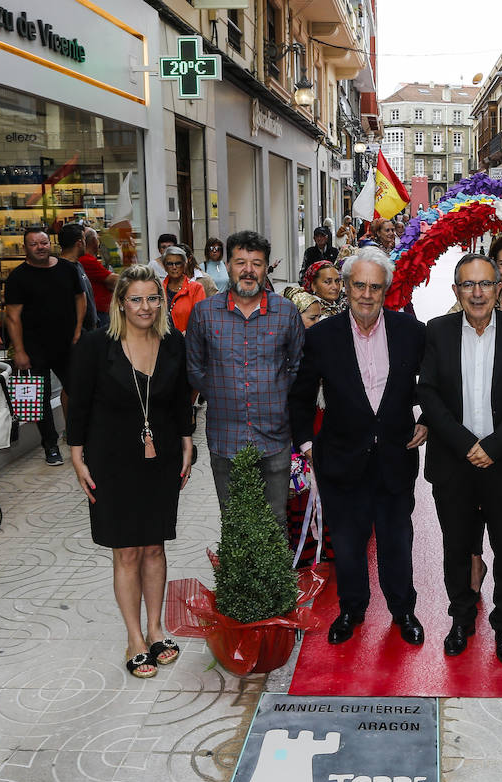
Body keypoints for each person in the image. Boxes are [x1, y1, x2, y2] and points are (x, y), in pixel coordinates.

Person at [290, 246, 428, 647]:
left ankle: (403, 610)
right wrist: (306, 444)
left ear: (386, 290)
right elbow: (300, 396)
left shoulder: (411, 333)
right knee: (348, 544)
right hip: (340, 458)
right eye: (358, 286)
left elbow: (435, 385)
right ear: (346, 287)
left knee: (396, 541)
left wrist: (427, 420)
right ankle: (351, 608)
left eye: (375, 287)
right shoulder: (321, 337)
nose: (366, 294)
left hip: (394, 457)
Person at [67, 265, 194, 679]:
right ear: (121, 302)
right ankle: (134, 637)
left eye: (152, 298)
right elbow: (79, 402)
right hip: (111, 457)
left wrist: (188, 440)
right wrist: (76, 453)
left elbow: (181, 401)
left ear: (162, 302)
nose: (145, 306)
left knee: (154, 547)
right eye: (136, 299)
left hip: (161, 456)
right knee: (126, 551)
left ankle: (157, 628)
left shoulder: (174, 343)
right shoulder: (95, 346)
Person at [419, 254, 502, 664]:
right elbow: (429, 394)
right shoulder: (437, 330)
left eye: (485, 284)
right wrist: (466, 442)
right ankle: (461, 616)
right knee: (457, 546)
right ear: (456, 290)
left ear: (497, 287)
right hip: (454, 461)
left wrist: (494, 446)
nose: (477, 293)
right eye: (468, 285)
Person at [186, 231, 304, 523]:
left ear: (266, 268)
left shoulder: (286, 313)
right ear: (228, 265)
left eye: (257, 263)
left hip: (274, 437)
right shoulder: (204, 313)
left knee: (275, 521)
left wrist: (273, 393)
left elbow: (297, 367)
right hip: (226, 436)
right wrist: (221, 392)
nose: (249, 270)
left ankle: (273, 571)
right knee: (234, 521)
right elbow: (195, 368)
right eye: (241, 262)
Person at [4, 228, 87, 465]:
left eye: (44, 242)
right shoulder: (18, 277)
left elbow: (80, 299)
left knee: (79, 392)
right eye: (34, 244)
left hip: (68, 345)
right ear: (25, 248)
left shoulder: (67, 269)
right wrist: (18, 350)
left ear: (50, 244)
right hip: (33, 349)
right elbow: (13, 317)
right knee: (39, 400)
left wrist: (79, 329)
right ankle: (50, 445)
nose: (40, 247)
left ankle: (78, 438)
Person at [57, 223, 97, 333]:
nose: (85, 243)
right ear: (79, 243)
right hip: (77, 333)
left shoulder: (78, 265)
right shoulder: (62, 269)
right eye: (84, 240)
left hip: (88, 332)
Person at [159, 246, 207, 333]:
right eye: (170, 264)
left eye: (178, 263)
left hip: (188, 340)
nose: (174, 267)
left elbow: (201, 319)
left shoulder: (196, 288)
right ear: (164, 267)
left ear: (185, 265)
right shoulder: (158, 288)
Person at [81, 227, 119, 325]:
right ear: (94, 240)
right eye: (97, 239)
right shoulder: (87, 260)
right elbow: (114, 280)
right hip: (99, 312)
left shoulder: (90, 260)